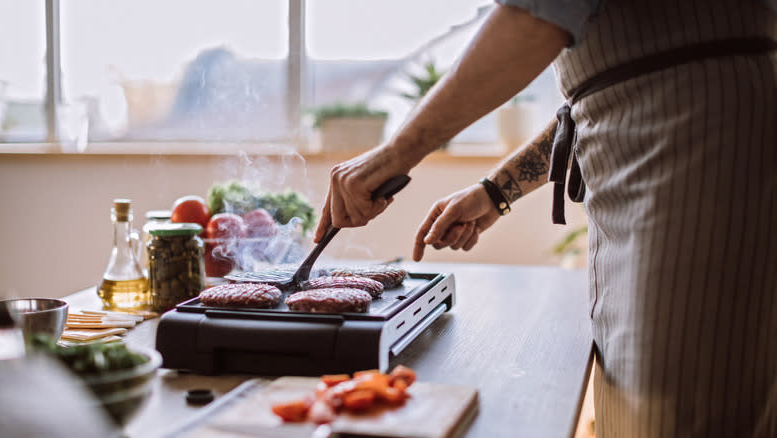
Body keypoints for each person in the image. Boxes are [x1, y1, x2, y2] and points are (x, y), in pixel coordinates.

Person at [315, 1, 776, 437]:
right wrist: (495, 191)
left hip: (695, 145)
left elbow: (536, 16)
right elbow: (597, 95)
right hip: (652, 159)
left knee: (678, 406)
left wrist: (398, 152)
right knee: (639, 401)